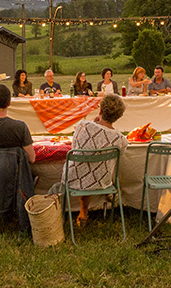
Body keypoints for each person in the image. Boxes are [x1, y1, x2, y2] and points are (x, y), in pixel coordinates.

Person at [53, 94, 128, 227]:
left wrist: (94, 123)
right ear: (119, 116)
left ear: (100, 110)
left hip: (74, 178)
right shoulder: (121, 139)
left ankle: (72, 213)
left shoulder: (83, 126)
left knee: (84, 167)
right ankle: (87, 210)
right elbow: (120, 155)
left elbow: (75, 147)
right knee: (91, 168)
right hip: (102, 181)